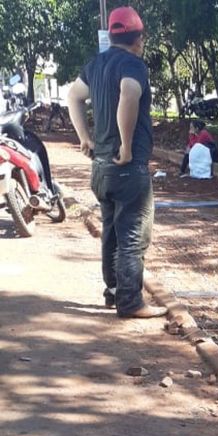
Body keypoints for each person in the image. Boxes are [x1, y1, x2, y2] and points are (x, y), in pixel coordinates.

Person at [67, 6, 165, 318]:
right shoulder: (133, 64)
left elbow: (73, 96)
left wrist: (85, 138)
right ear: (139, 39)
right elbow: (129, 93)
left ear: (111, 36)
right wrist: (126, 145)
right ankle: (131, 302)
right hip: (127, 168)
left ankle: (113, 291)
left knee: (111, 233)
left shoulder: (95, 65)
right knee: (133, 237)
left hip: (101, 169)